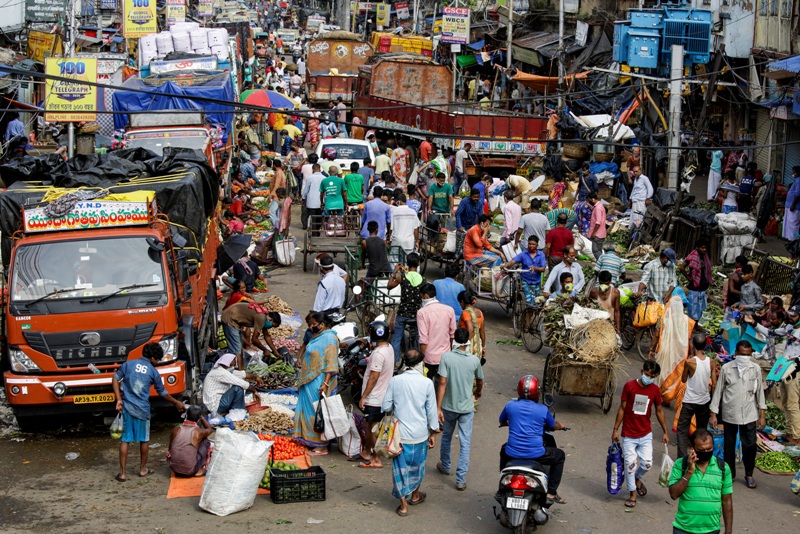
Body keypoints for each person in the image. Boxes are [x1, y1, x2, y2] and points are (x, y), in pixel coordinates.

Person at [112, 343, 186, 482]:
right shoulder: (152, 371)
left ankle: (122, 474)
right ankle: (142, 469)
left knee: (125, 440)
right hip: (143, 410)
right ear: (152, 357)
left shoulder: (128, 365)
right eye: (157, 359)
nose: (157, 362)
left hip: (127, 407)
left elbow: (115, 378)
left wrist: (119, 399)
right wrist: (176, 402)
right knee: (144, 440)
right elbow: (162, 392)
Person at [381, 349, 439, 516]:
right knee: (418, 467)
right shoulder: (426, 383)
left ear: (405, 362)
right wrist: (433, 433)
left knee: (400, 469)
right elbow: (431, 413)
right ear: (421, 363)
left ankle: (404, 506)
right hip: (420, 435)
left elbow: (385, 406)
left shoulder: (395, 381)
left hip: (400, 435)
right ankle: (415, 495)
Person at [499, 375, 568, 505]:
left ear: (519, 391)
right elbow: (552, 425)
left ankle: (503, 485)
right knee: (560, 456)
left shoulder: (510, 405)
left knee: (503, 449)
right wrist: (561, 426)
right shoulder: (542, 409)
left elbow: (502, 420)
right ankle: (551, 493)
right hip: (536, 454)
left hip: (512, 452)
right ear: (537, 392)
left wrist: (510, 422)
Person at [611, 359, 670, 508]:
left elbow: (659, 411)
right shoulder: (629, 386)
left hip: (645, 434)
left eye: (652, 376)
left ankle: (636, 479)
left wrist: (665, 431)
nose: (648, 378)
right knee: (630, 465)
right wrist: (615, 429)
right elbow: (622, 408)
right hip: (628, 434)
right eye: (647, 374)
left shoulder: (655, 390)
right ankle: (632, 494)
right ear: (642, 371)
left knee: (647, 464)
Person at [709, 340, 766, 488]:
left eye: (747, 355)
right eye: (741, 354)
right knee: (729, 444)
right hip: (730, 413)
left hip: (749, 413)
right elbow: (718, 391)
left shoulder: (755, 369)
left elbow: (760, 393)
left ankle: (749, 473)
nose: (744, 357)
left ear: (750, 354)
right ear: (736, 354)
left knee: (750, 445)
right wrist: (713, 414)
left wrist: (762, 415)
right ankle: (729, 474)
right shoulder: (727, 368)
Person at [436, 328, 484, 490]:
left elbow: (442, 383)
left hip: (449, 406)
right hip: (466, 408)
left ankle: (446, 466)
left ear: (454, 340)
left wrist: (438, 407)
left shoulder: (447, 358)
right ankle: (461, 479)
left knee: (447, 437)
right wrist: (478, 392)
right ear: (468, 341)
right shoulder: (474, 360)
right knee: (465, 442)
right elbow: (479, 379)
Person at [669, 429, 734, 534]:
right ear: (693, 449)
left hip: (711, 530)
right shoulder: (681, 465)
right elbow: (673, 494)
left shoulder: (723, 468)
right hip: (683, 529)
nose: (706, 452)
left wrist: (728, 531)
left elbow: (727, 501)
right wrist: (689, 471)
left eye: (709, 449)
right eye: (701, 450)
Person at [295, 312, 340, 455]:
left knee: (318, 413)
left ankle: (321, 446)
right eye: (309, 325)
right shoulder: (317, 336)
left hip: (319, 381)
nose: (311, 327)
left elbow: (331, 363)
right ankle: (310, 440)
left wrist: (325, 384)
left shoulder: (330, 338)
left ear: (322, 324)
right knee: (309, 410)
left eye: (313, 324)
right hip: (309, 380)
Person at [357, 320, 395, 468]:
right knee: (369, 425)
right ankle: (367, 452)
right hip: (383, 395)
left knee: (373, 428)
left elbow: (373, 377)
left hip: (375, 398)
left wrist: (364, 396)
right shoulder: (389, 348)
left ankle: (376, 459)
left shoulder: (378, 354)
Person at [677, 334, 719, 458]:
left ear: (693, 345)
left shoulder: (689, 362)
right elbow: (715, 383)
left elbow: (684, 379)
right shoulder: (711, 362)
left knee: (682, 430)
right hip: (704, 401)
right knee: (701, 431)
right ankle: (700, 456)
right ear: (705, 345)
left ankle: (682, 458)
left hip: (690, 400)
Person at [220, 302, 282, 368]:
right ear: (270, 319)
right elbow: (254, 340)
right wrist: (265, 350)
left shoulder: (265, 317)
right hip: (230, 318)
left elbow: (267, 336)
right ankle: (240, 371)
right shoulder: (261, 318)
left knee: (238, 346)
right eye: (272, 325)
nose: (270, 327)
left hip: (235, 318)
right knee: (236, 348)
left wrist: (275, 352)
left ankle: (239, 366)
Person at [388, 253, 425, 361]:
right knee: (418, 338)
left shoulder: (402, 277)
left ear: (407, 263)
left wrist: (394, 272)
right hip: (416, 314)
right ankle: (418, 360)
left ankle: (395, 363)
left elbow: (389, 286)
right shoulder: (423, 279)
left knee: (397, 339)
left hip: (403, 313)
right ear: (418, 264)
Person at [201, 352, 263, 418]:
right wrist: (254, 391)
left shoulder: (224, 370)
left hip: (217, 402)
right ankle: (238, 412)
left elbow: (241, 374)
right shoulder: (221, 373)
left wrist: (255, 376)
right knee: (238, 388)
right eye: (234, 361)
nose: (235, 364)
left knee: (237, 387)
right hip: (215, 406)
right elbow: (242, 383)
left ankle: (235, 409)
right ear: (228, 362)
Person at [417, 283, 457, 381]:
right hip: (445, 355)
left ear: (425, 295)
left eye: (421, 296)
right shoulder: (449, 310)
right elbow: (453, 335)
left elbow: (423, 339)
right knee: (443, 384)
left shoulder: (422, 312)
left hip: (429, 356)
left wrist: (421, 358)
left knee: (427, 383)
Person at [167, 405, 214, 477]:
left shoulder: (176, 429)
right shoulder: (198, 432)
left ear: (186, 415)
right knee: (205, 441)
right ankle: (199, 469)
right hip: (190, 471)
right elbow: (210, 429)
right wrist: (202, 418)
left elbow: (170, 450)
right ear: (199, 418)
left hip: (174, 469)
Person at [503, 235, 546, 303]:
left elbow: (543, 269)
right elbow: (513, 261)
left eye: (533, 244)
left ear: (537, 245)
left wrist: (535, 268)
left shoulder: (541, 255)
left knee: (536, 302)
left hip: (536, 281)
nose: (531, 246)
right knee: (528, 300)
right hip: (525, 280)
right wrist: (505, 266)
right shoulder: (523, 254)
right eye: (529, 244)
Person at [678, 239, 712, 321]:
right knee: (693, 308)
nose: (704, 249)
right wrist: (689, 278)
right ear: (697, 248)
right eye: (702, 248)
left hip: (702, 286)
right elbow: (681, 268)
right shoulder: (692, 256)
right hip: (694, 287)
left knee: (700, 307)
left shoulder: (705, 257)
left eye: (705, 248)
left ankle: (696, 325)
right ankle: (692, 326)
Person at [457, 291, 485, 363]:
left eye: (460, 303)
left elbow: (470, 328)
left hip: (468, 342)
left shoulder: (466, 312)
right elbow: (482, 331)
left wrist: (465, 345)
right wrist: (483, 347)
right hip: (477, 344)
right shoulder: (479, 312)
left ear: (462, 302)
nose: (460, 305)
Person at [586, 193, 607, 259]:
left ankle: (601, 263)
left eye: (589, 200)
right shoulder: (600, 206)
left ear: (592, 199)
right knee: (599, 250)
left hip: (597, 234)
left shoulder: (598, 208)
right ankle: (601, 264)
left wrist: (594, 233)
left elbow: (598, 222)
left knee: (595, 250)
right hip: (601, 233)